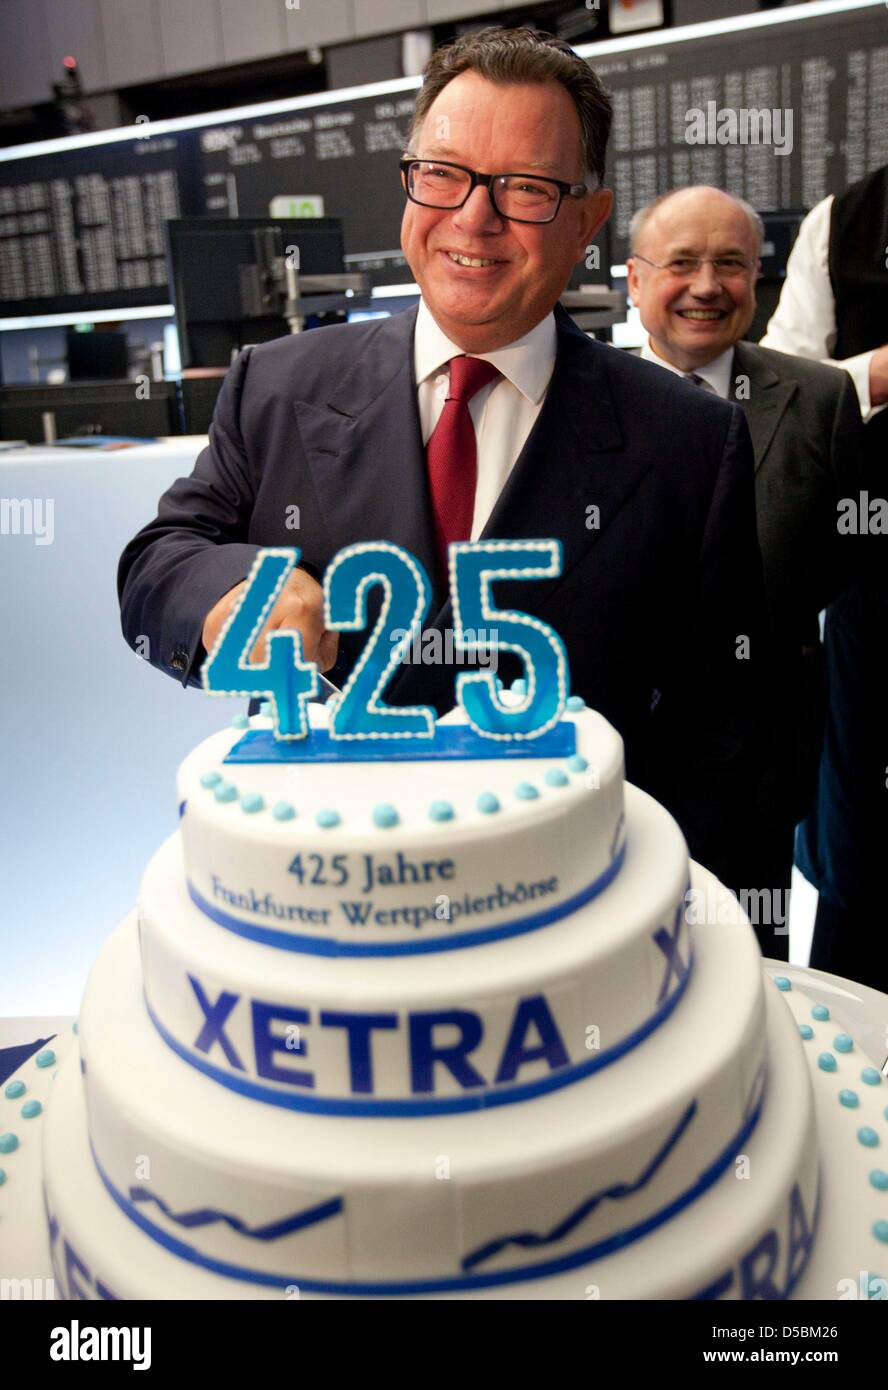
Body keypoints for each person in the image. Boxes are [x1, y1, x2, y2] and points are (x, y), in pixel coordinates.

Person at [119, 26, 769, 899]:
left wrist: (673, 918)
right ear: (411, 181)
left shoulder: (690, 438)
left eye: (527, 188)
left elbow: (724, 719)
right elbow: (160, 561)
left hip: (571, 916)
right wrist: (232, 593)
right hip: (325, 904)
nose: (474, 217)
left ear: (587, 220)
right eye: (444, 174)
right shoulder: (275, 385)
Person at [626, 186, 865, 960]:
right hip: (618, 756)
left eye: (730, 263)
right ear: (634, 280)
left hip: (762, 767)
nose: (706, 285)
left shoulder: (820, 399)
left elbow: (847, 559)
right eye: (682, 262)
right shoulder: (579, 400)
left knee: (747, 969)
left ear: (756, 280)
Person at [761, 168, 888, 989]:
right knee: (858, 845)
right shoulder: (845, 221)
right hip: (874, 587)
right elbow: (779, 389)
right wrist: (881, 373)